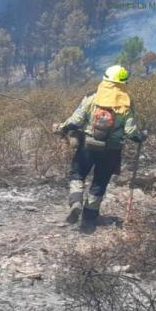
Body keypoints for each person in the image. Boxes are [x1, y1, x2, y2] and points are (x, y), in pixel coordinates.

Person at [54, 65, 147, 233]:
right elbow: (132, 132)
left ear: (105, 79)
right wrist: (141, 136)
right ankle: (89, 218)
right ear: (124, 83)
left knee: (77, 174)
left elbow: (75, 121)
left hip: (87, 146)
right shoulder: (125, 103)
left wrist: (62, 127)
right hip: (111, 151)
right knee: (99, 182)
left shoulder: (92, 98)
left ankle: (75, 202)